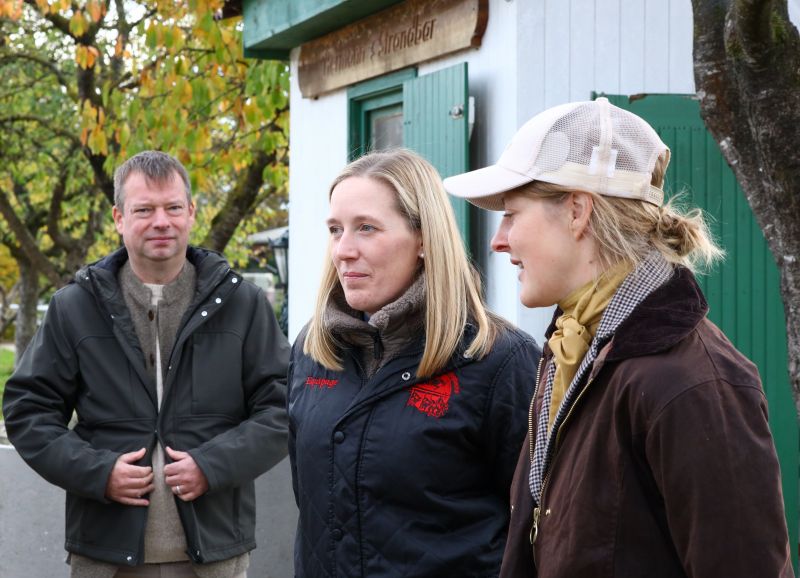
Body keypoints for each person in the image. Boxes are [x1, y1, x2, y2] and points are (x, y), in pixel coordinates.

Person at [442, 97, 794, 577]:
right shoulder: (574, 348)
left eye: (512, 214)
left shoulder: (692, 383)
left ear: (577, 211)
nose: (498, 240)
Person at [2, 151, 289, 578]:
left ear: (191, 212)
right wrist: (98, 473)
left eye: (173, 207)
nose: (161, 221)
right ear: (119, 218)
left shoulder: (242, 304)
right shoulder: (75, 307)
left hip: (215, 557)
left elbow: (283, 408)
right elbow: (28, 411)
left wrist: (212, 466)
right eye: (144, 210)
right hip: (104, 557)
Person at [287, 149, 541, 577]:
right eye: (335, 229)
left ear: (424, 238)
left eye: (366, 228)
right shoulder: (313, 351)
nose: (343, 250)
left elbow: (536, 531)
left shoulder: (498, 360)